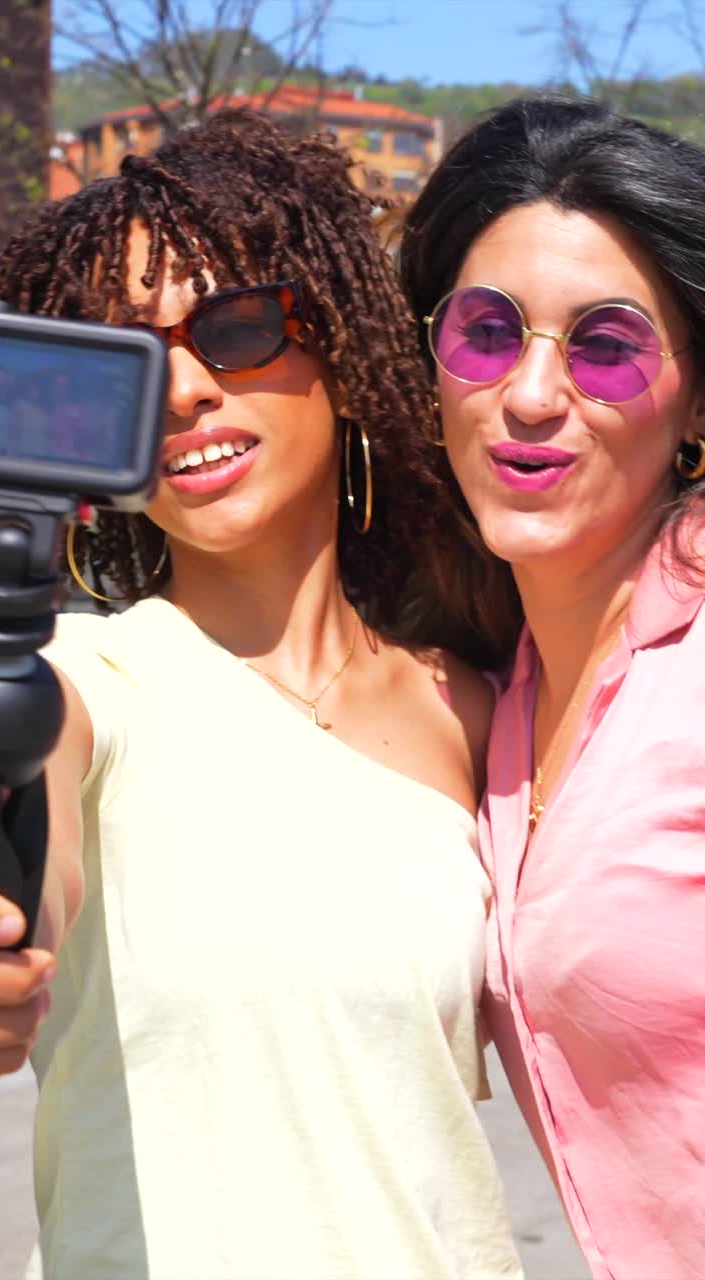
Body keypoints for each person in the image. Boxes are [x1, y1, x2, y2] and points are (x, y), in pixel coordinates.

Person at [0, 109, 522, 1280]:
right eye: (126, 352)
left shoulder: (477, 711)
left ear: (341, 344)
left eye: (233, 326)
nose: (181, 388)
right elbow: (34, 806)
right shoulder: (89, 682)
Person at [401, 94, 705, 1280]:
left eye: (607, 343)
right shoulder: (500, 699)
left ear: (694, 403)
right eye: (487, 331)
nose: (531, 393)